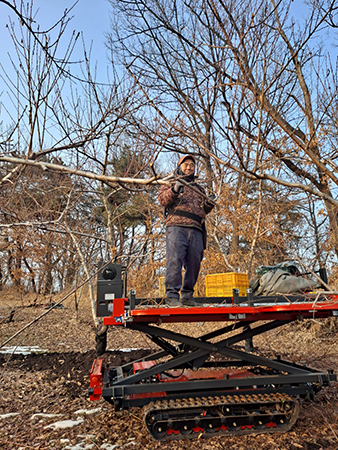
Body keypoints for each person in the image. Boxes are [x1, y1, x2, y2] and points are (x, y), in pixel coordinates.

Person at [158, 154, 215, 307]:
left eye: (192, 165)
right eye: (186, 164)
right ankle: (171, 296)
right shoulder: (170, 182)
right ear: (179, 166)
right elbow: (163, 200)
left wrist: (210, 202)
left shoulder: (199, 188)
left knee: (195, 263)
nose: (189, 167)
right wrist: (175, 188)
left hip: (196, 228)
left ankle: (187, 296)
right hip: (176, 227)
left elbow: (204, 209)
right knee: (174, 261)